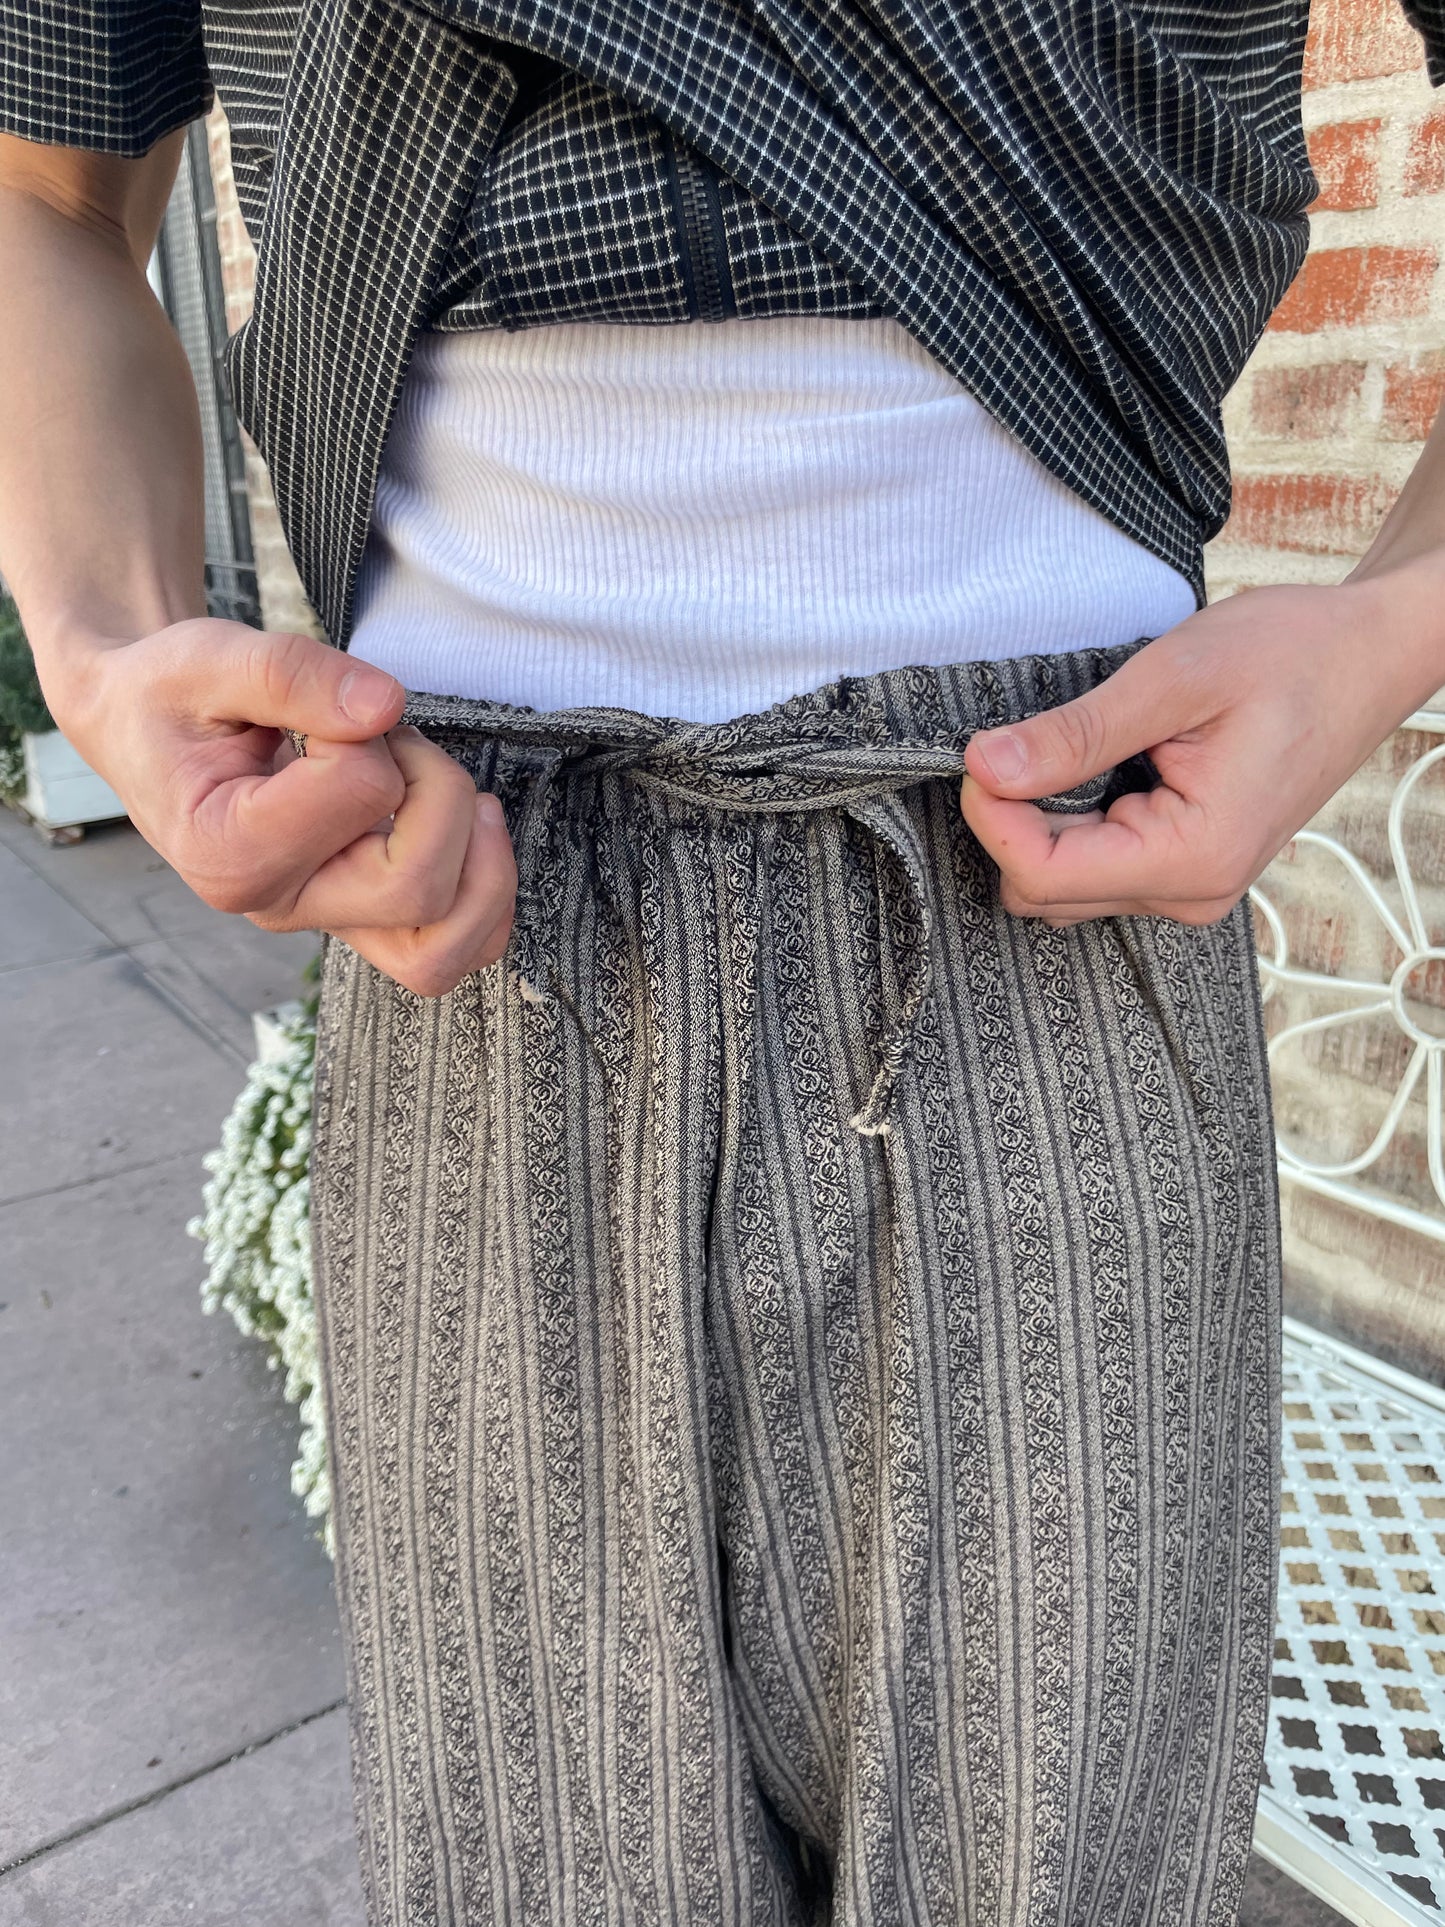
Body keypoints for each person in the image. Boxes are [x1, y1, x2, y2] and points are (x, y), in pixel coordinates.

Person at [2, 0, 1444, 1920]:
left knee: (1061, 1873)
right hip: (470, 929)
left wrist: (1398, 623)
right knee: (540, 1867)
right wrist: (99, 641)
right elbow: (48, 187)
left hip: (1053, 897)